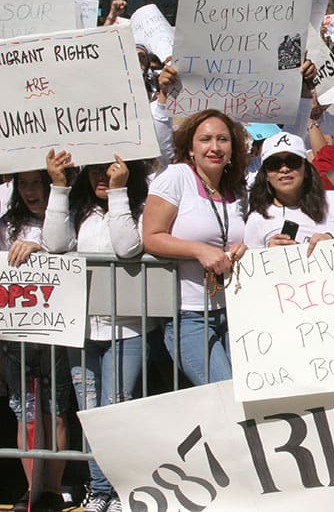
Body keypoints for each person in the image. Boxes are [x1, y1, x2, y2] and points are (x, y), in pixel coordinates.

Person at [41, 151, 151, 512]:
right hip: (82, 329)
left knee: (114, 410)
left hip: (129, 330)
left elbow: (127, 248)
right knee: (90, 412)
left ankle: (121, 489)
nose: (102, 177)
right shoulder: (80, 212)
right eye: (95, 172)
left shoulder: (141, 206)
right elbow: (55, 244)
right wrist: (59, 188)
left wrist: (119, 193)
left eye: (111, 170)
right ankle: (100, 490)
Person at [142, 109, 249, 386]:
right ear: (190, 148)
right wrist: (199, 250)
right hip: (189, 316)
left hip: (234, 311)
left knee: (244, 392)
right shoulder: (176, 177)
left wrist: (239, 247)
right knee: (225, 392)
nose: (215, 147)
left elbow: (229, 235)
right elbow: (151, 236)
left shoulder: (234, 189)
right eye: (206, 139)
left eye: (223, 139)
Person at [0, 169, 71, 512]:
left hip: (59, 331)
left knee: (54, 412)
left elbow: (71, 250)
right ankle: (32, 489)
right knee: (24, 411)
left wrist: (40, 249)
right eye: (23, 183)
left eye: (37, 182)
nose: (30, 190)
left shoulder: (70, 216)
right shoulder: (7, 224)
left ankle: (53, 491)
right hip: (17, 333)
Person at [244, 132, 334, 251]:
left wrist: (333, 241)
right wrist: (269, 253)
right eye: (274, 164)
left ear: (306, 169)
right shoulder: (256, 219)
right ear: (265, 174)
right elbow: (253, 265)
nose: (284, 169)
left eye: (293, 161)